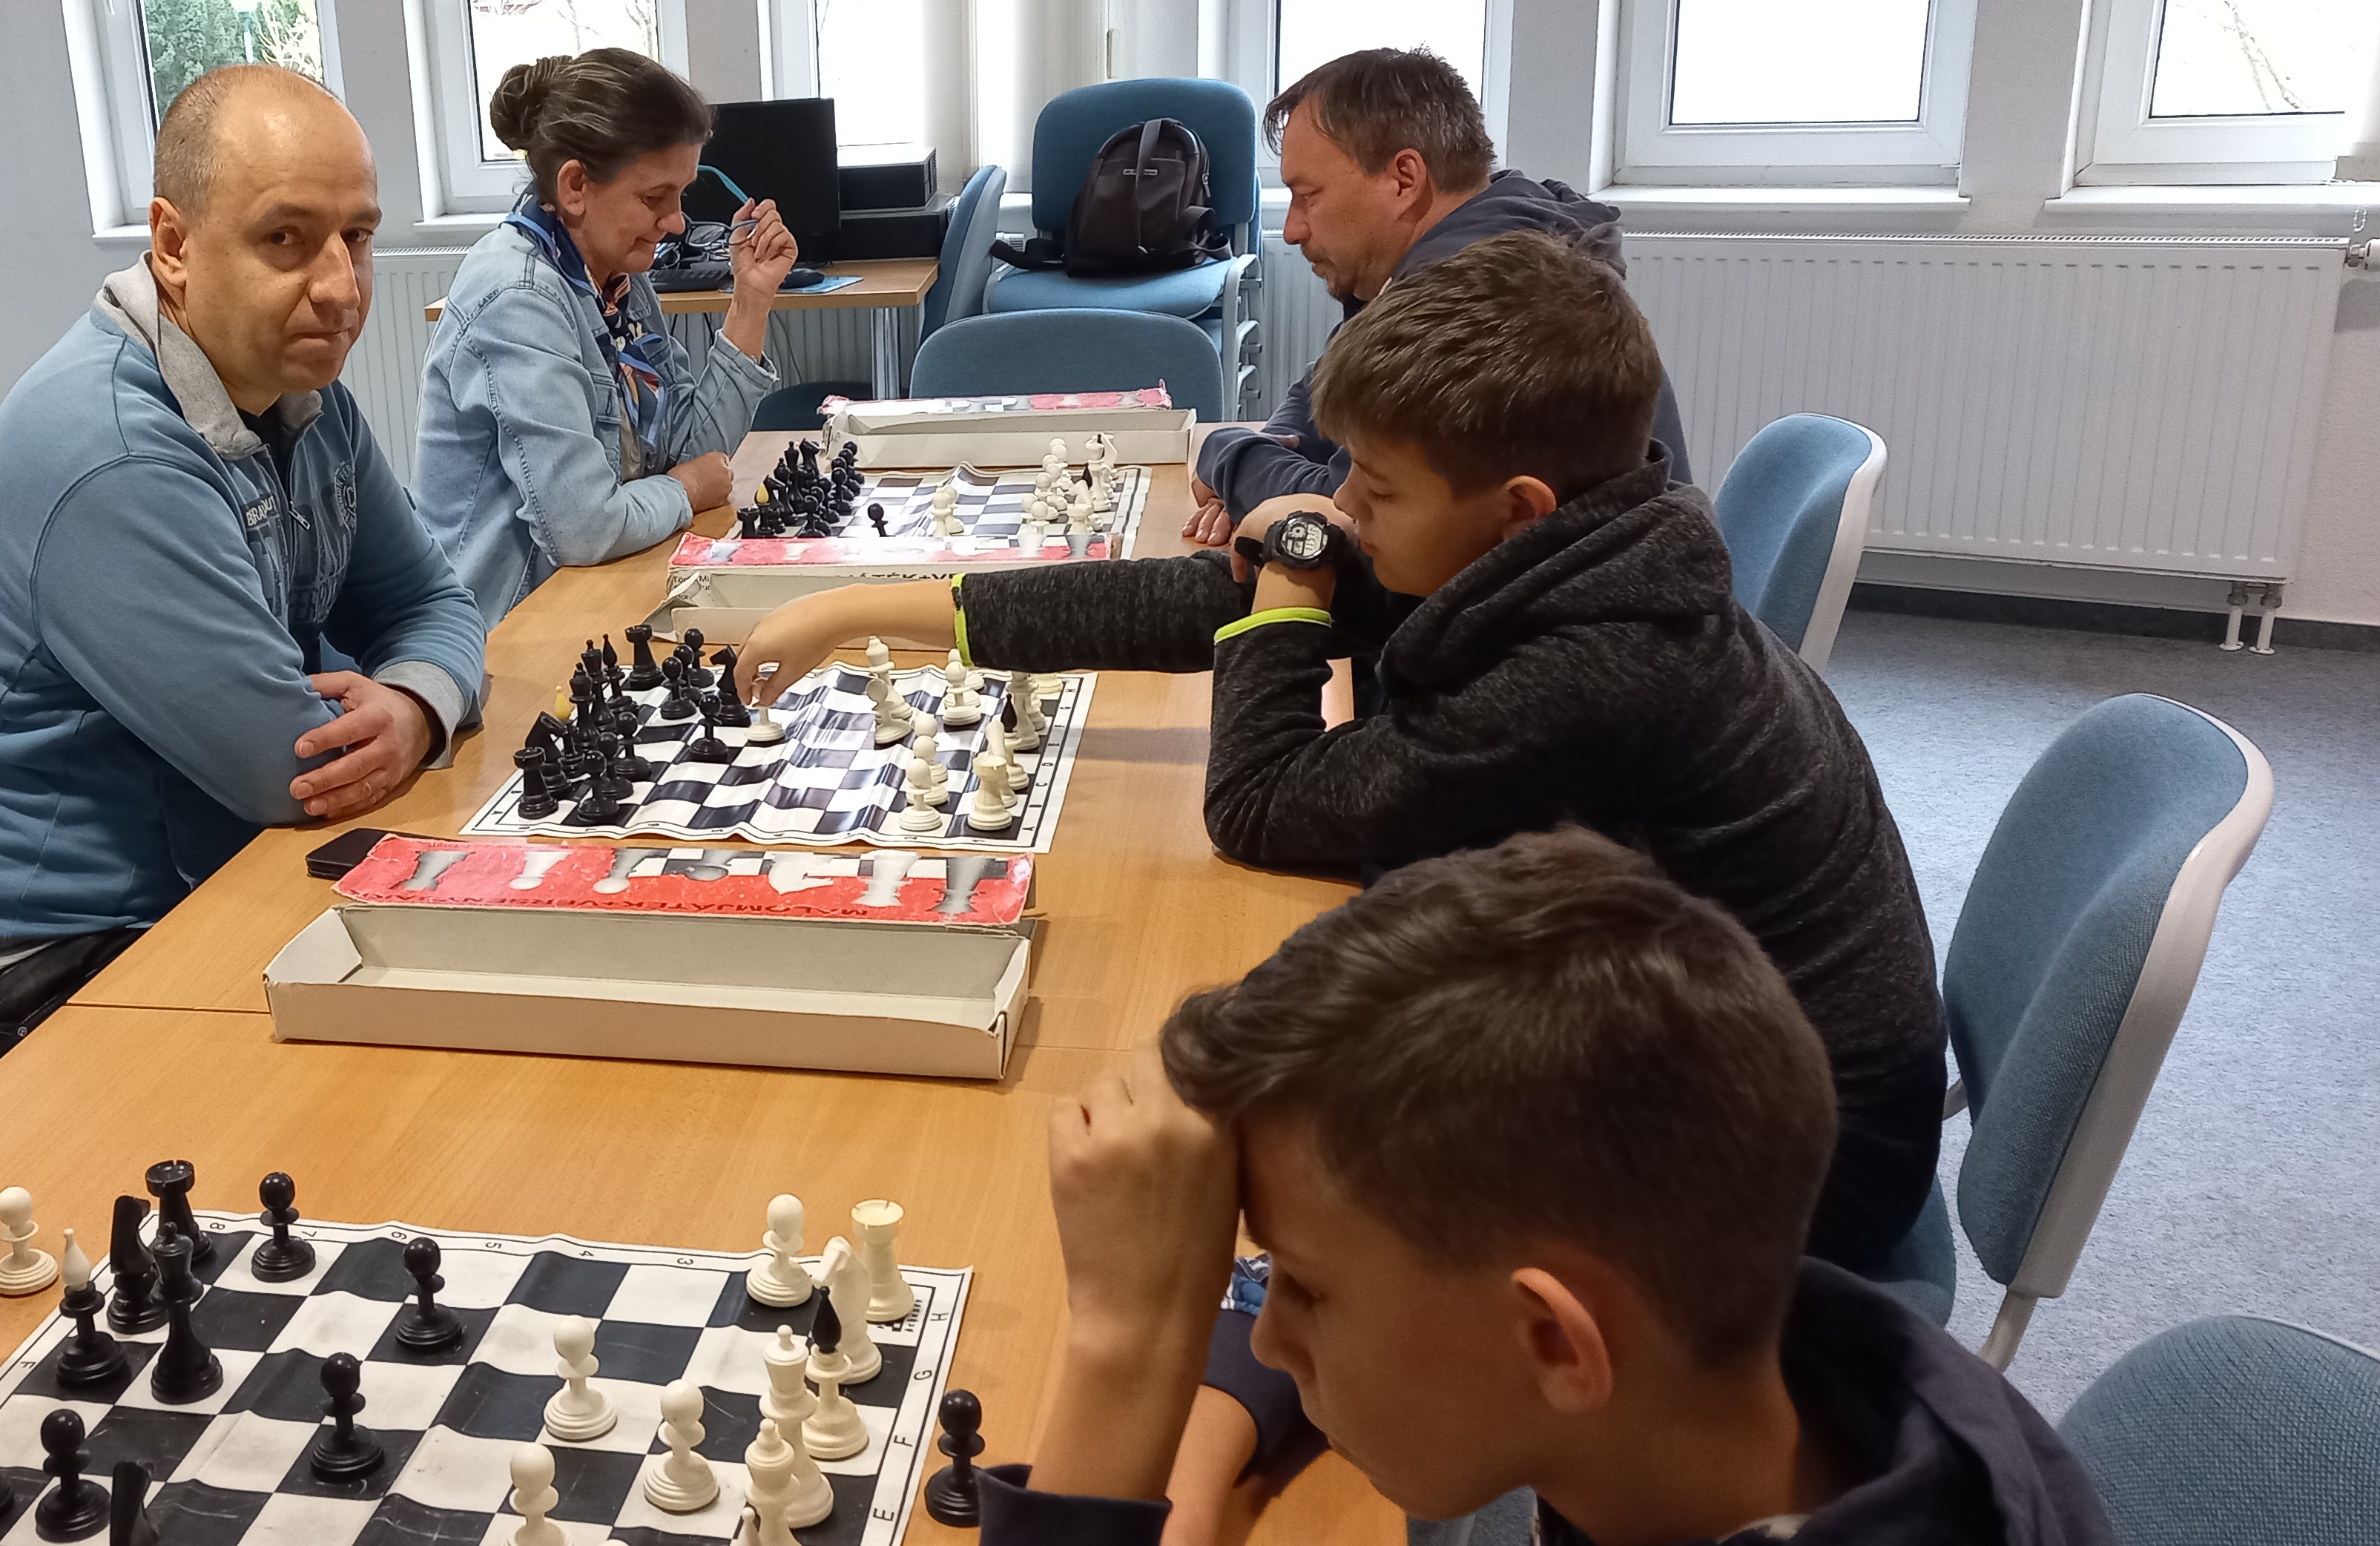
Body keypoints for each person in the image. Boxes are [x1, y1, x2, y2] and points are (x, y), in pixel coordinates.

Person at [734, 233, 1947, 1520]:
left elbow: (1260, 802)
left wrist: (1288, 588)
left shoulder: (1594, 669)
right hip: (1707, 1058)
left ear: (1514, 506)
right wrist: (871, 608)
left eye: (1373, 487)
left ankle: (1247, 1360)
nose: (1344, 508)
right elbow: (1200, 601)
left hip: (1801, 1166)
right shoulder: (1565, 555)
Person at [1002, 829, 2113, 1546]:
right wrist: (1207, 1442)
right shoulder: (1788, 1356)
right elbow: (1417, 1295)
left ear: (1554, 1341)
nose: (1268, 1331)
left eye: (1302, 1287)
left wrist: (1126, 1353)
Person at [0, 65, 487, 1091]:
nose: (340, 287)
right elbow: (286, 771)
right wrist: (415, 705)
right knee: (394, 1085)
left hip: (196, 870)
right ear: (174, 245)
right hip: (21, 949)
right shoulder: (114, 453)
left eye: (357, 236)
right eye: (285, 238)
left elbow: (432, 602)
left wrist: (414, 705)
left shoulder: (302, 393)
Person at [1184, 47, 1689, 547]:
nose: (1293, 230)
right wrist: (1263, 462)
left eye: (1308, 196)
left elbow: (1352, 512)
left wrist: (1226, 455)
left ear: (1404, 179)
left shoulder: (1479, 302)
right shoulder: (1483, 238)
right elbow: (1320, 388)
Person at [415, 47, 800, 622]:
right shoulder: (520, 298)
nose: (677, 222)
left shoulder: (619, 277)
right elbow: (584, 527)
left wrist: (752, 298)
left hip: (596, 588)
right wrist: (685, 490)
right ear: (575, 186)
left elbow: (696, 456)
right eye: (654, 198)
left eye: (681, 194)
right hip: (506, 628)